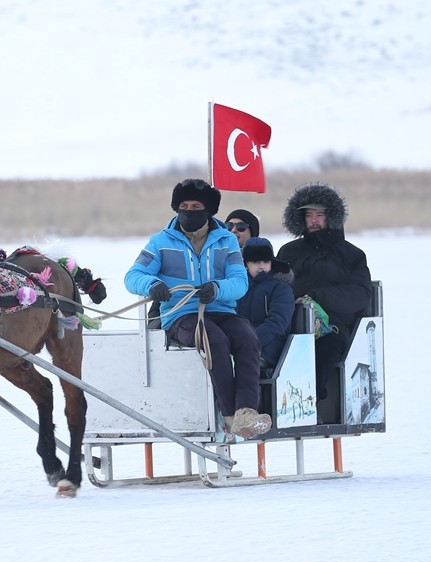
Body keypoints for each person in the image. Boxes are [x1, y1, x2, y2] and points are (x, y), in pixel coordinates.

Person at [125, 178, 272, 439]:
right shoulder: (160, 242)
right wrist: (152, 285)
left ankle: (246, 412)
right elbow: (133, 276)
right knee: (213, 339)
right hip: (180, 315)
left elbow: (239, 281)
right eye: (184, 205)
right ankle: (229, 415)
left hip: (223, 310)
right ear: (176, 208)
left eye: (195, 206)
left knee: (248, 338)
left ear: (208, 211)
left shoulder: (226, 241)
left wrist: (216, 288)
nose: (189, 211)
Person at [276, 183, 373, 400]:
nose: (313, 220)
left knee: (327, 345)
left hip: (333, 327)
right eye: (309, 215)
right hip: (290, 323)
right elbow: (276, 288)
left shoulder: (352, 255)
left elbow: (359, 294)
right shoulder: (288, 252)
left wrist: (318, 297)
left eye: (319, 214)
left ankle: (312, 399)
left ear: (332, 217)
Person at [235, 237, 296, 372]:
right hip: (240, 345)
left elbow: (277, 324)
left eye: (266, 262)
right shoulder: (237, 288)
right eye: (256, 262)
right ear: (245, 264)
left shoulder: (281, 288)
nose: (262, 266)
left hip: (270, 348)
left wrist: (248, 343)